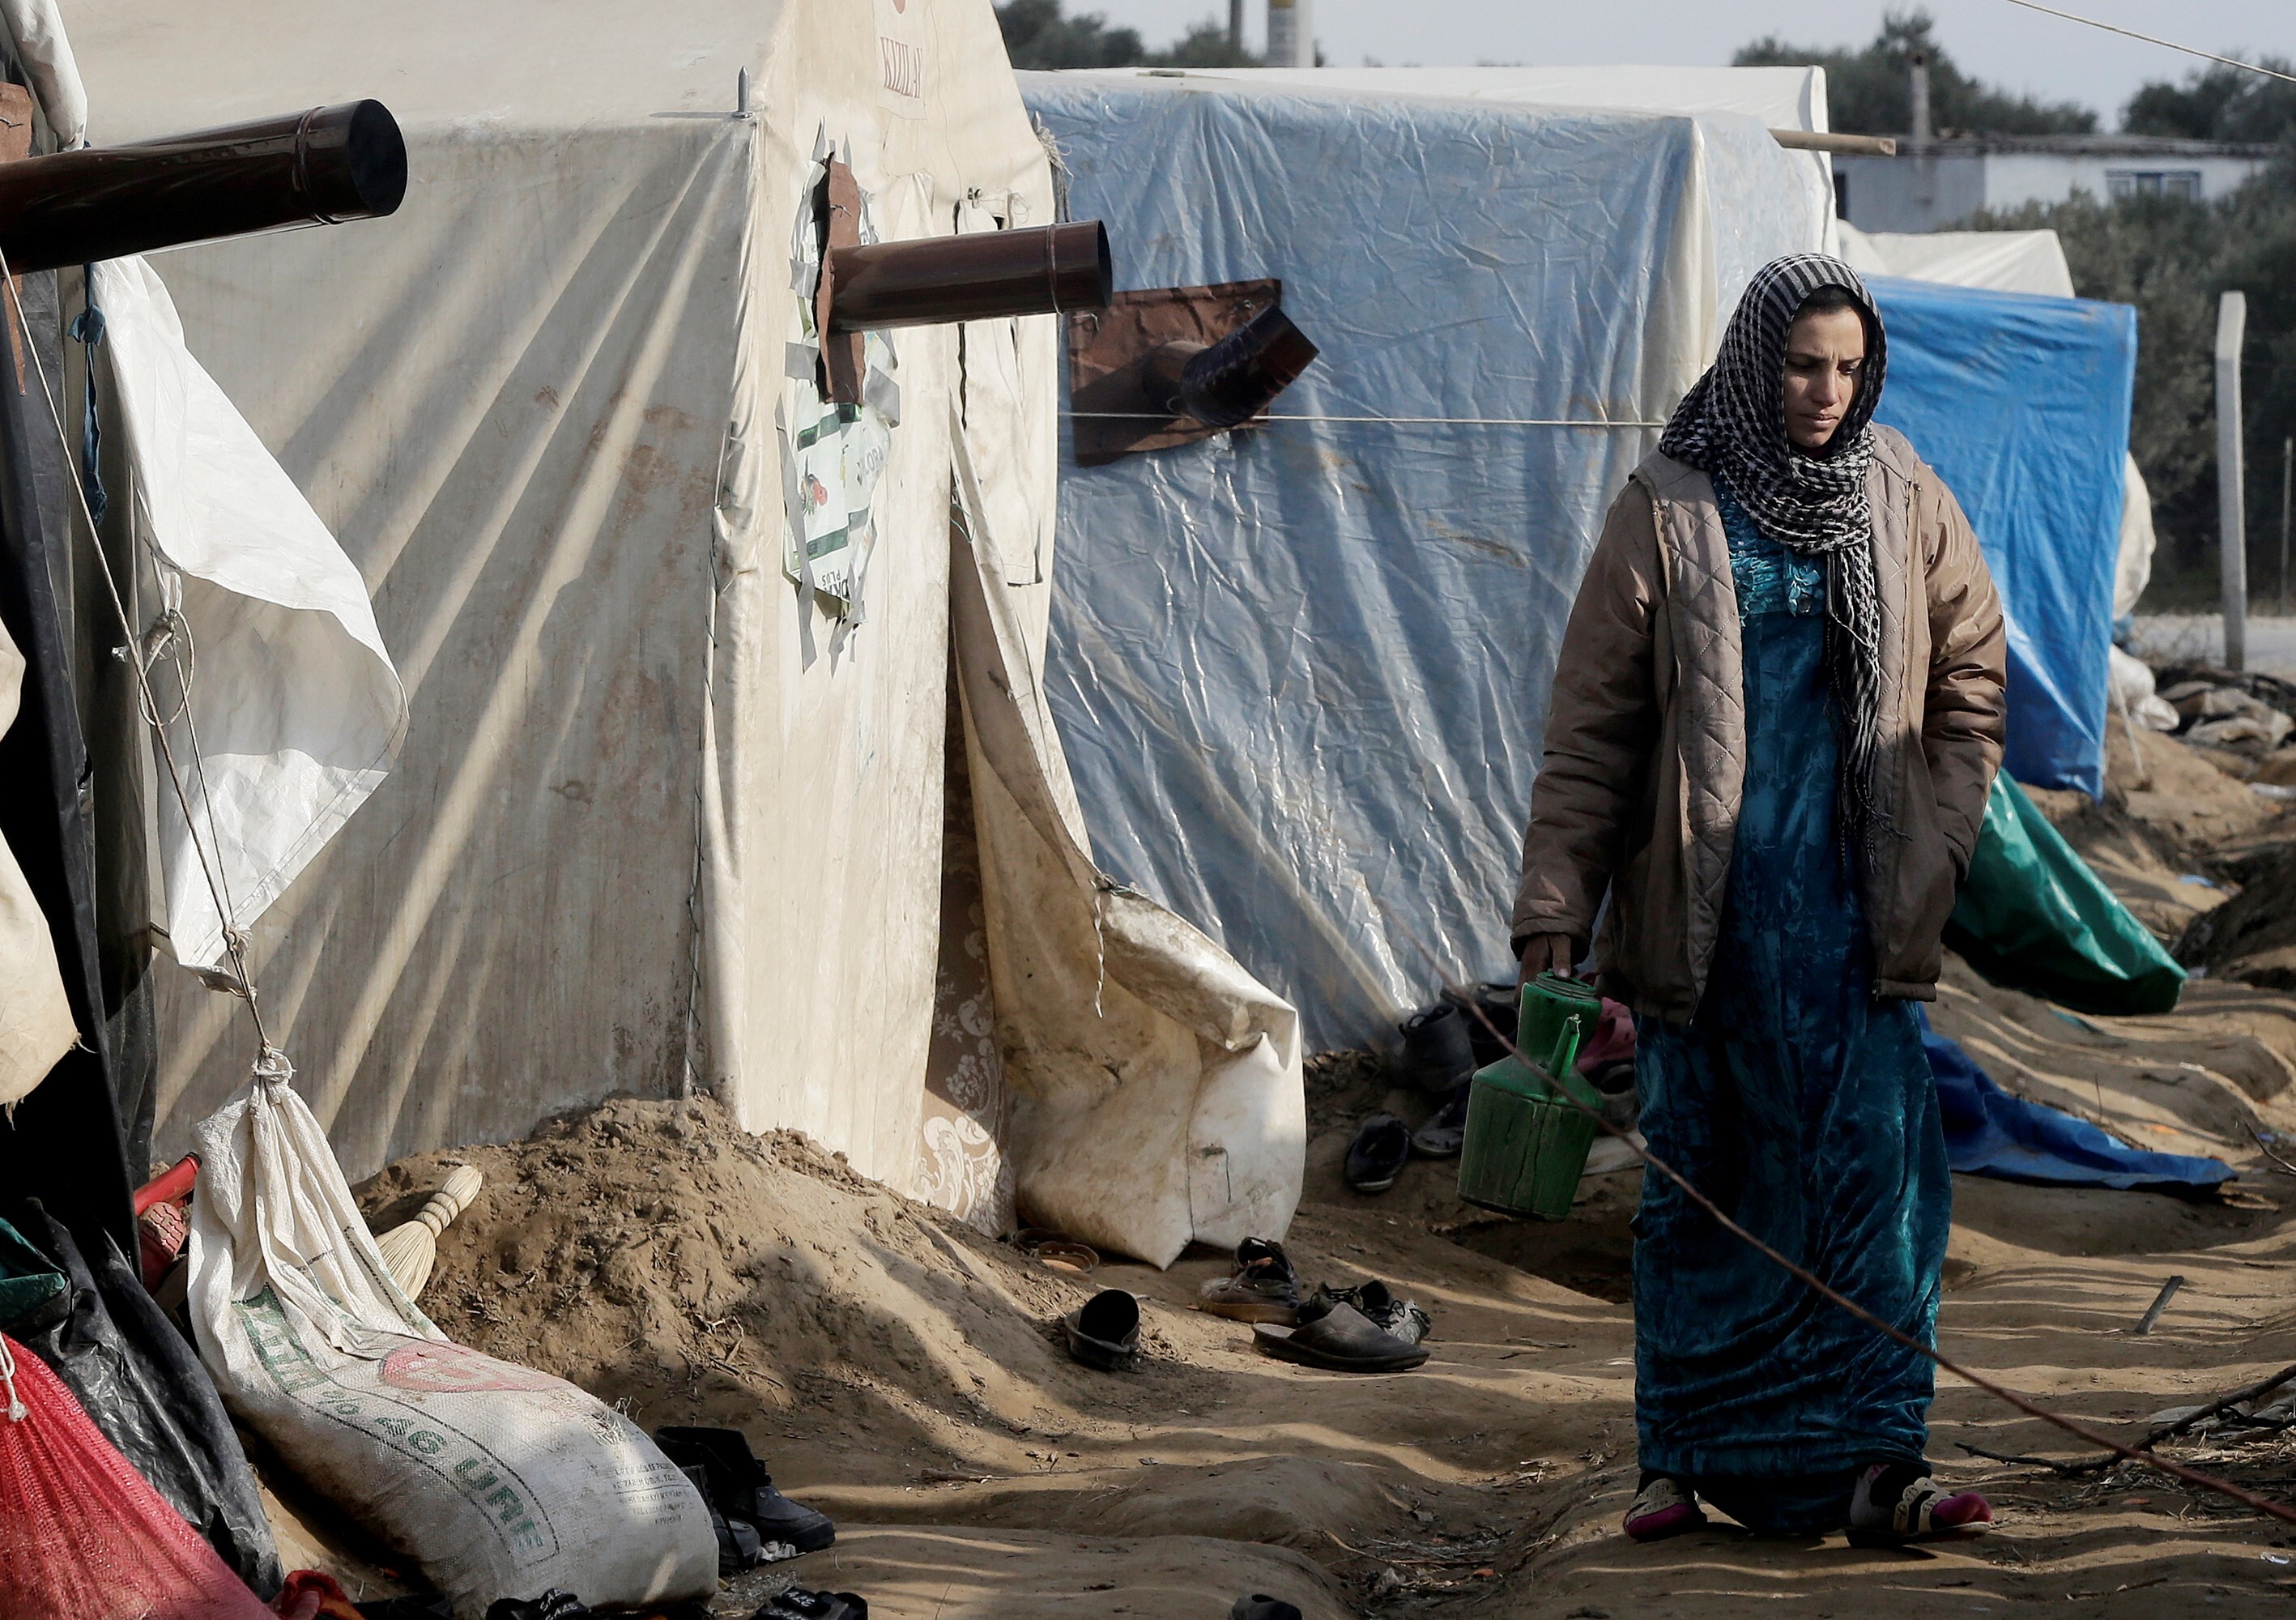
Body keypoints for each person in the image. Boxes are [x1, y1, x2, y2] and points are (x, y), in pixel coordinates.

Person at [1510, 255, 2007, 1545]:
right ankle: (1676, 1459)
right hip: (1707, 924)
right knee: (1704, 1183)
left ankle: (1881, 1464)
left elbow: (1971, 679)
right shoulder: (1670, 504)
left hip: (1858, 924)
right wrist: (1558, 900)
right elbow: (1595, 731)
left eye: (1847, 368)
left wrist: (1938, 847)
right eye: (1800, 365)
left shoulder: (1902, 496)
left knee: (1873, 1189)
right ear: (1751, 362)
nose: (1825, 393)